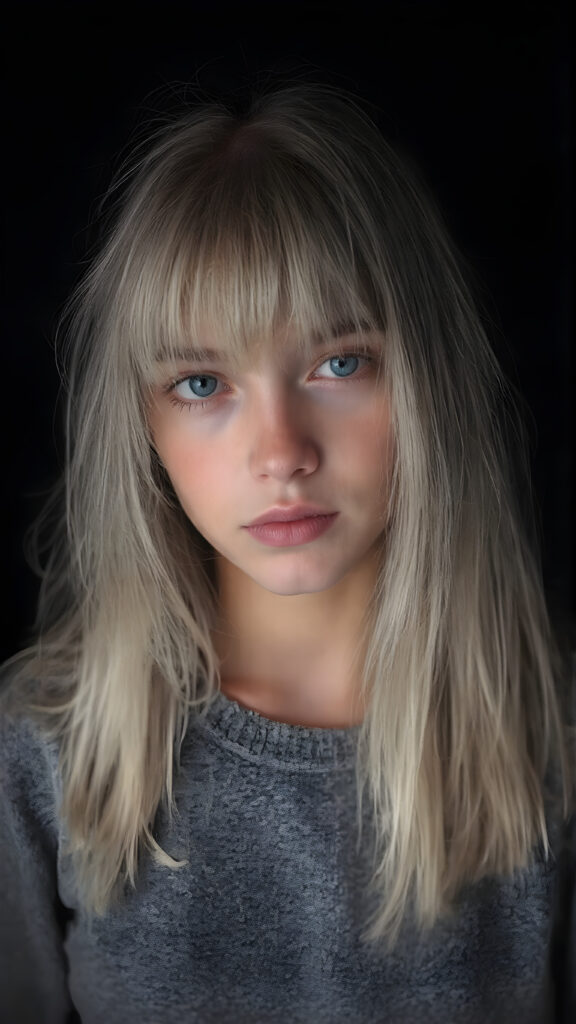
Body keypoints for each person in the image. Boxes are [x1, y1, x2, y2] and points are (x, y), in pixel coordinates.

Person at [0, 82, 574, 1024]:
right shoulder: (44, 754)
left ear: (425, 377)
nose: (280, 453)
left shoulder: (553, 743)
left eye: (338, 363)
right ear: (141, 426)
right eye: (201, 381)